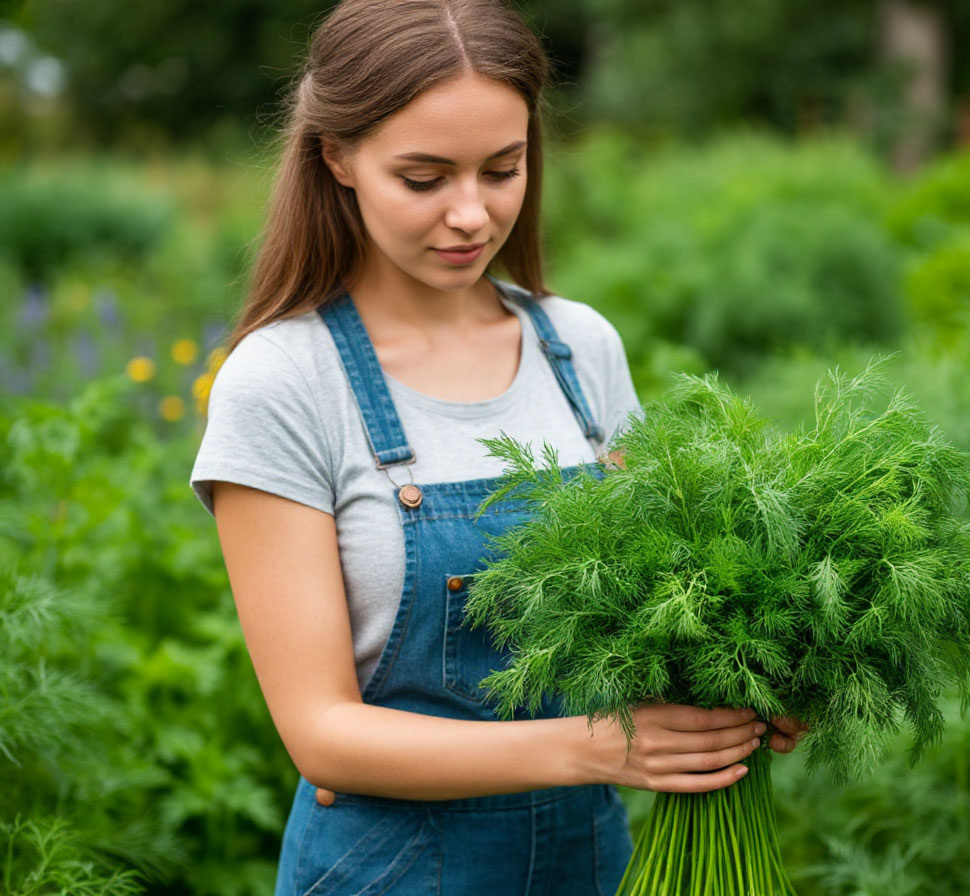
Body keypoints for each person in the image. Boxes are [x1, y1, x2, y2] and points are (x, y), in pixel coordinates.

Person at [189, 1, 806, 893]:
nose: (472, 215)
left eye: (502, 169)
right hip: (388, 871)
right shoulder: (284, 380)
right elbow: (322, 733)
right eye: (424, 177)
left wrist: (741, 689)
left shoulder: (578, 347)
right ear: (337, 157)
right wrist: (601, 747)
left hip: (589, 863)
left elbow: (660, 601)